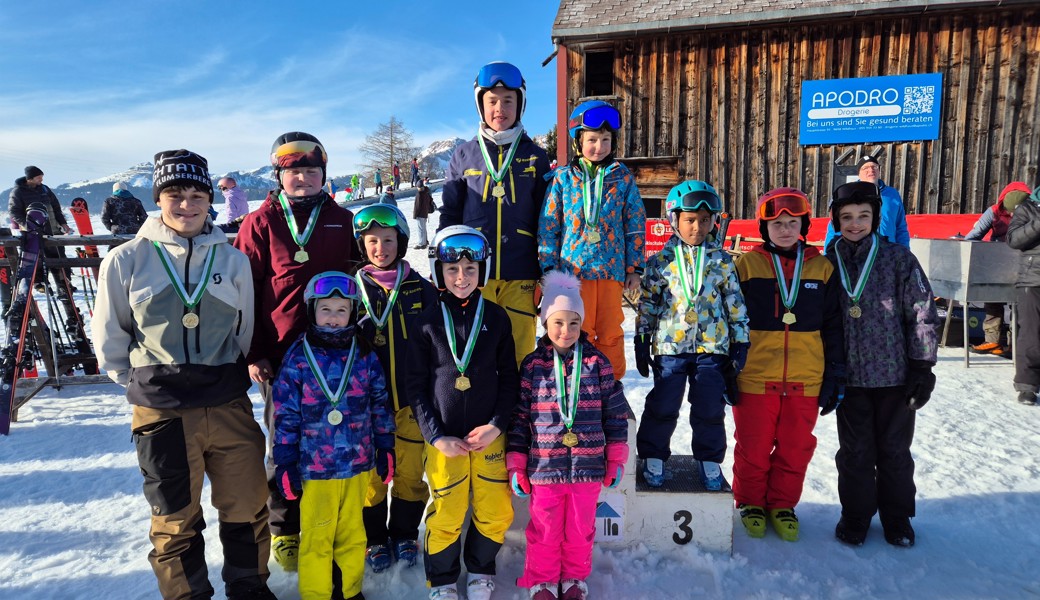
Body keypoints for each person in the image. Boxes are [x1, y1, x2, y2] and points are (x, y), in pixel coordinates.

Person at [92, 149, 275, 600]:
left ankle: (249, 586)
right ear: (159, 198)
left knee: (248, 505)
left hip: (227, 403)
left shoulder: (231, 261)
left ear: (209, 199)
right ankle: (187, 595)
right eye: (175, 194)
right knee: (174, 516)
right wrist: (140, 382)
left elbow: (244, 328)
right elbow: (110, 336)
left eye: (197, 194)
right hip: (162, 410)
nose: (187, 204)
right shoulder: (126, 259)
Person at [233, 131, 360, 573]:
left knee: (335, 437)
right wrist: (253, 351)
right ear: (279, 176)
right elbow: (242, 291)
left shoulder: (342, 220)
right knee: (283, 442)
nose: (303, 177)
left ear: (324, 174)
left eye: (311, 170)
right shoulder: (260, 221)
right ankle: (285, 527)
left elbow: (360, 279)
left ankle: (339, 522)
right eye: (293, 171)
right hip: (281, 354)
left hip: (336, 352)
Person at [406, 226, 518, 600]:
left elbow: (509, 381)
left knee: (496, 510)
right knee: (448, 513)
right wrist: (435, 435)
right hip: (445, 441)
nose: (461, 278)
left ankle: (482, 569)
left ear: (482, 272)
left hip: (488, 436)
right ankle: (441, 579)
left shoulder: (498, 319)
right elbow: (416, 387)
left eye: (471, 270)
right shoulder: (425, 321)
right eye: (453, 270)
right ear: (439, 271)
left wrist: (497, 425)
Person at [825, 180, 938, 548]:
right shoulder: (828, 262)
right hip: (850, 379)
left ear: (875, 217)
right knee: (855, 453)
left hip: (895, 376)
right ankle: (855, 515)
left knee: (894, 451)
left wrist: (922, 367)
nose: (855, 224)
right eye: (846, 217)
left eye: (863, 216)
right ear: (836, 221)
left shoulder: (898, 259)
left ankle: (897, 516)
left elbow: (921, 312)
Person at [506, 270, 631, 600]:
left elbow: (615, 415)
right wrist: (516, 464)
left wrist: (616, 458)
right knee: (545, 529)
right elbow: (520, 418)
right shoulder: (533, 366)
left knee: (580, 529)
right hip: (544, 469)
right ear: (545, 323)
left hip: (588, 469)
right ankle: (543, 580)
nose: (566, 331)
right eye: (558, 322)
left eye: (573, 323)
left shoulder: (598, 363)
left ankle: (575, 579)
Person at [271, 271, 395, 600]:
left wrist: (385, 445)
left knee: (354, 535)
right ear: (312, 310)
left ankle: (350, 591)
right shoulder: (298, 357)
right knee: (317, 538)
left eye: (342, 310)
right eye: (326, 309)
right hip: (315, 467)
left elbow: (380, 402)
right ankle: (317, 594)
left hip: (357, 463)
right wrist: (284, 461)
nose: (334, 317)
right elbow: (284, 414)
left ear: (353, 313)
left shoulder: (365, 353)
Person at [732, 188, 845, 541]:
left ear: (803, 226)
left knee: (796, 448)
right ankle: (750, 502)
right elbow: (731, 320)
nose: (784, 229)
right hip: (756, 375)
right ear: (765, 228)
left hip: (806, 377)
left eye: (791, 223)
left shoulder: (822, 267)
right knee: (753, 445)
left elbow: (834, 325)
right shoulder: (746, 265)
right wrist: (728, 368)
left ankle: (782, 504)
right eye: (776, 223)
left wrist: (835, 374)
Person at [633, 180, 750, 491]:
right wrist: (642, 338)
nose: (697, 227)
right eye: (690, 220)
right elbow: (649, 303)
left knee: (710, 407)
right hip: (671, 346)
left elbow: (735, 303)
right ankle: (653, 455)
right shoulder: (660, 262)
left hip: (713, 347)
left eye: (704, 220)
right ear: (674, 220)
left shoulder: (722, 260)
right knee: (663, 403)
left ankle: (709, 459)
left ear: (713, 221)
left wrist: (741, 340)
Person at [439, 61, 551, 367]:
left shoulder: (536, 156)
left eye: (508, 100)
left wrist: (546, 271)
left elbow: (548, 218)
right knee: (478, 352)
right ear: (480, 106)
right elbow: (450, 213)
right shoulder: (464, 155)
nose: (499, 108)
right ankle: (481, 414)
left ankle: (518, 414)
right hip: (474, 273)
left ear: (521, 105)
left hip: (521, 272)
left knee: (520, 353)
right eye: (491, 101)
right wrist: (445, 263)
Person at [350, 204, 438, 573]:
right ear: (362, 246)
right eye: (372, 241)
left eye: (388, 240)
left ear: (401, 243)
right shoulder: (349, 290)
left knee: (408, 473)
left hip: (412, 403)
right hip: (367, 407)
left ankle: (403, 533)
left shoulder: (421, 287)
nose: (380, 248)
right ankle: (373, 539)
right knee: (371, 478)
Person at [538, 99, 645, 380]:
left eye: (606, 139)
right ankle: (576, 386)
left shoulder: (622, 178)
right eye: (593, 139)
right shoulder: (562, 178)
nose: (600, 146)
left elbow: (634, 224)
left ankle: (611, 386)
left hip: (611, 271)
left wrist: (635, 267)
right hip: (572, 274)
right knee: (576, 330)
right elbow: (549, 226)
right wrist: (548, 267)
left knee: (610, 330)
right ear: (578, 141)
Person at [963, 182, 1030, 357]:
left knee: (1022, 305)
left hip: (1025, 264)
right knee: (992, 299)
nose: (1013, 214)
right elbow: (973, 236)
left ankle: (1015, 345)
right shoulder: (993, 212)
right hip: (997, 262)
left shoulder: (1034, 214)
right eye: (1010, 211)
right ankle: (992, 340)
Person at [8, 165, 74, 291]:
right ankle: (40, 284)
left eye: (42, 177)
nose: (41, 180)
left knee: (59, 257)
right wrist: (28, 225)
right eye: (38, 178)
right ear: (30, 178)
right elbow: (14, 212)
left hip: (53, 230)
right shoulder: (18, 192)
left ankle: (64, 283)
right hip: (33, 233)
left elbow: (56, 208)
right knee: (37, 259)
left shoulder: (44, 189)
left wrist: (63, 223)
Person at [824, 155, 910, 250]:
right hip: (859, 252)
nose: (871, 170)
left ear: (879, 171)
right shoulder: (849, 193)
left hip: (888, 252)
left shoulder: (892, 194)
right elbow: (835, 226)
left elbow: (900, 227)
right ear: (859, 174)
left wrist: (905, 252)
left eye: (874, 167)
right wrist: (829, 252)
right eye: (865, 168)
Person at [1007, 183, 1040, 406]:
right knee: (1032, 332)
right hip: (1034, 278)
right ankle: (1027, 385)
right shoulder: (1027, 208)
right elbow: (1014, 239)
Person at [413, 181, 436, 249]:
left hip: (420, 214)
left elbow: (417, 206)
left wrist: (415, 214)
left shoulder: (419, 194)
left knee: (421, 229)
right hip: (425, 213)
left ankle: (422, 243)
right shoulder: (426, 193)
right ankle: (425, 241)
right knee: (423, 228)